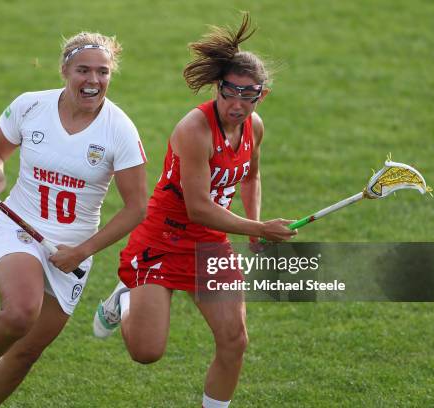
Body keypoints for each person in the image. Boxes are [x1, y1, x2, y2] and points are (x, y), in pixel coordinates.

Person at [92, 14, 297, 408]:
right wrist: (257, 226)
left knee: (234, 340)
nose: (237, 104)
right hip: (163, 239)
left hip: (210, 243)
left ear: (261, 95)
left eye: (248, 95)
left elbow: (251, 177)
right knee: (146, 352)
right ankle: (126, 298)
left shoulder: (254, 126)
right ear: (218, 88)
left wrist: (254, 228)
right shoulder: (195, 130)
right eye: (230, 92)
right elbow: (199, 207)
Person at [0, 32, 147, 408]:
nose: (93, 81)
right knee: (20, 311)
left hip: (72, 252)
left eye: (102, 72)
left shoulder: (120, 130)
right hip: (19, 227)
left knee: (25, 353)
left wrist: (81, 251)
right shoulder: (30, 106)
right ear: (65, 70)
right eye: (83, 70)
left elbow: (136, 207)